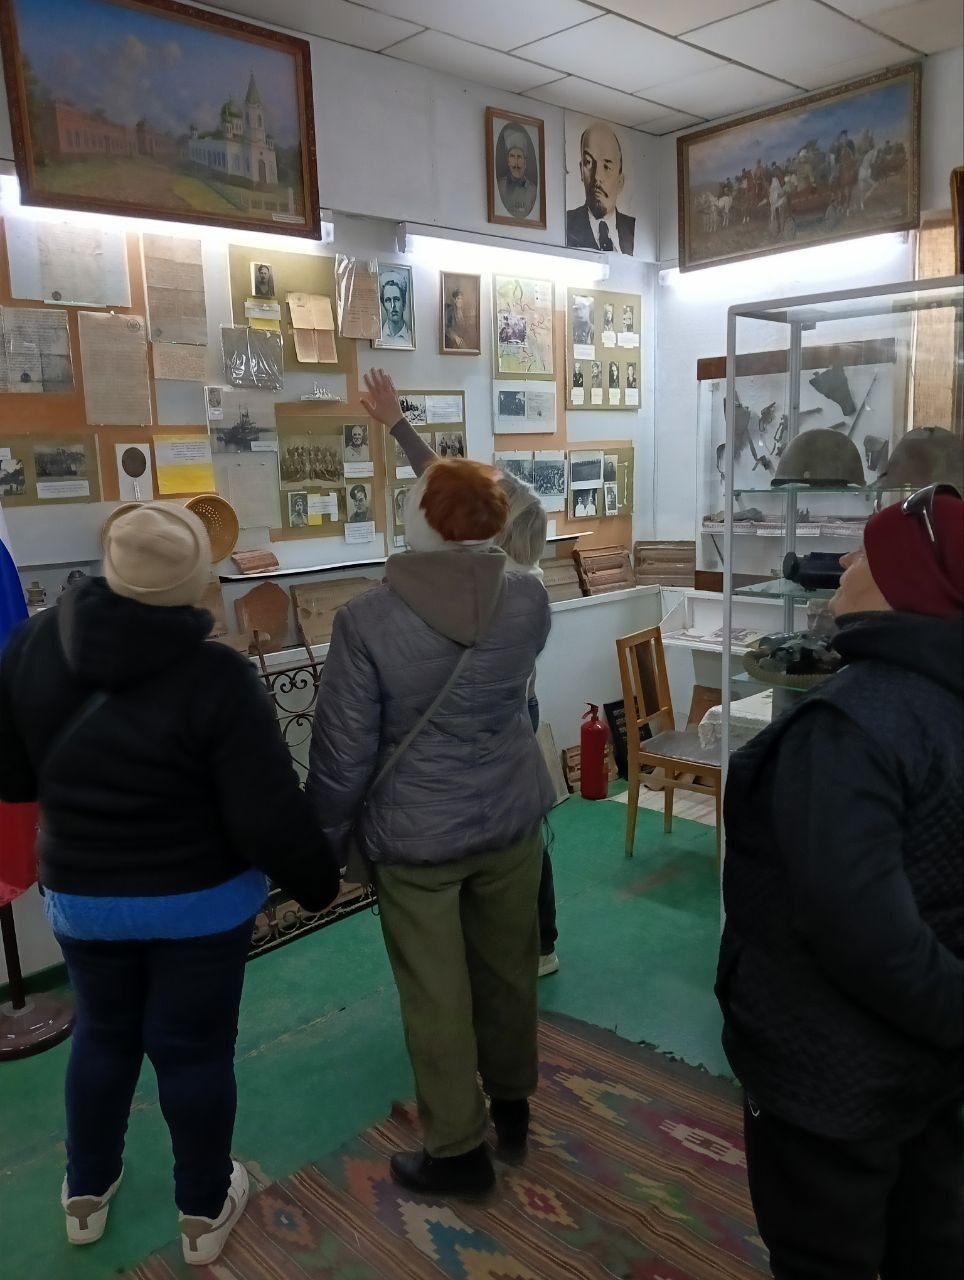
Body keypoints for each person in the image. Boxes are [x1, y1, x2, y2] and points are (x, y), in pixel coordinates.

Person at [0, 502, 340, 1266]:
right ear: (195, 583)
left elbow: (13, 777)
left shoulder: (33, 645)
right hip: (200, 905)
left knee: (102, 1036)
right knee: (192, 1053)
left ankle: (86, 1192)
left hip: (83, 900)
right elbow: (266, 812)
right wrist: (320, 880)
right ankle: (203, 1210)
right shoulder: (217, 676)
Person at [717, 484, 964, 1279]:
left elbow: (859, 932)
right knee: (930, 1238)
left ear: (899, 584)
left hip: (833, 1077)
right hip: (925, 1071)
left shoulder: (850, 728)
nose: (846, 562)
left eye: (867, 552)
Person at [306, 456, 555, 1196]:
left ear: (420, 522)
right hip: (510, 816)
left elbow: (343, 754)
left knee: (435, 993)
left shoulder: (366, 620)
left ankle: (457, 1152)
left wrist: (322, 847)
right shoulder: (529, 599)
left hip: (417, 838)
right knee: (509, 970)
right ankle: (513, 1111)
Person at [360, 368, 561, 977]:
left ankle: (520, 939)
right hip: (509, 711)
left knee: (498, 826)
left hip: (484, 710)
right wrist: (398, 424)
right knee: (516, 825)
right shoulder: (523, 582)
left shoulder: (505, 586)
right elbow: (445, 482)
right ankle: (536, 942)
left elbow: (447, 493)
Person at [566, 123, 635, 255]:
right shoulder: (566, 224)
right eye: (588, 162)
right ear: (581, 171)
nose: (597, 176)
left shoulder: (633, 228)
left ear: (620, 181)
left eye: (606, 167)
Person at [497, 124, 538, 220]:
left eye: (519, 157)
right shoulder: (500, 186)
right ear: (508, 161)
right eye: (512, 156)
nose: (515, 162)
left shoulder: (533, 190)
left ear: (525, 162)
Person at [379, 274, 412, 347]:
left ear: (404, 303)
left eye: (396, 299)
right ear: (383, 305)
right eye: (388, 300)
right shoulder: (379, 338)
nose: (393, 305)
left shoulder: (410, 337)